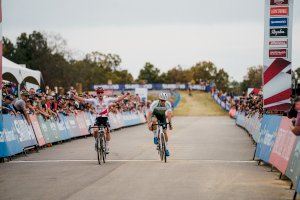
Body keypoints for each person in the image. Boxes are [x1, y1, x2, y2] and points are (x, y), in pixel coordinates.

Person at [73, 87, 130, 153]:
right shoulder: (94, 100)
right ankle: (96, 141)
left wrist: (125, 95)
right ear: (97, 94)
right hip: (98, 118)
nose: (100, 94)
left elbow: (118, 99)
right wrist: (75, 96)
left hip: (105, 118)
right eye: (98, 93)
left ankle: (107, 146)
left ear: (103, 93)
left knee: (107, 131)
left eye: (101, 92)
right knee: (95, 131)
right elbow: (83, 100)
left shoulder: (107, 100)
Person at [147, 92, 173, 157]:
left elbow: (169, 115)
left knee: (165, 132)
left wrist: (170, 124)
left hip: (162, 116)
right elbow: (149, 114)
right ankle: (155, 136)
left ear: (166, 100)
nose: (163, 102)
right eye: (161, 100)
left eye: (164, 101)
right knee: (154, 120)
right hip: (155, 115)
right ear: (159, 99)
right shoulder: (155, 103)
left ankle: (166, 149)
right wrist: (149, 124)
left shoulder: (168, 104)